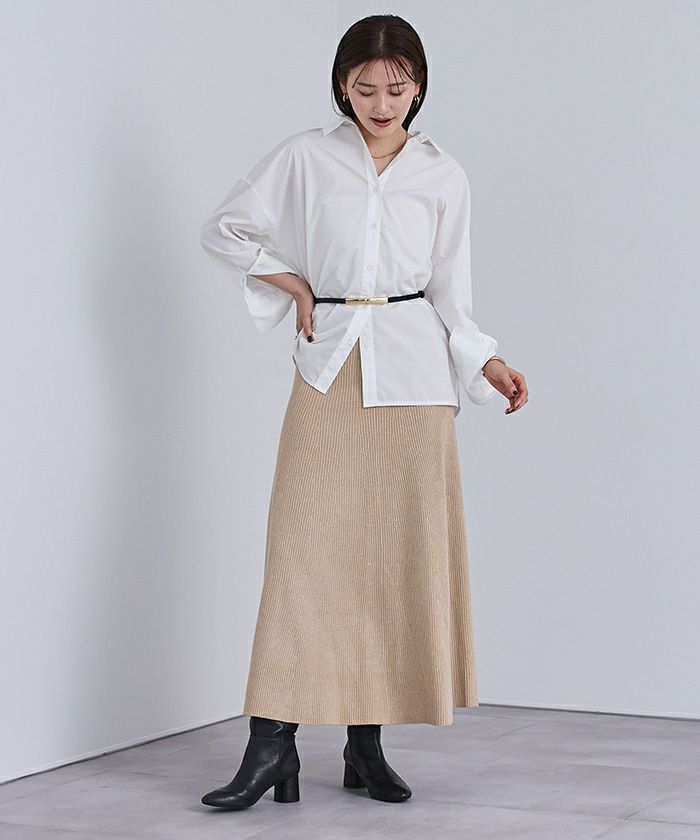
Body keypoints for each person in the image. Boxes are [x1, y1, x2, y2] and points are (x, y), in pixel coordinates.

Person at [198, 13, 528, 811]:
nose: (382, 103)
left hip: (415, 380)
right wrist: (292, 282)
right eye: (366, 87)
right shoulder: (306, 157)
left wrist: (486, 359)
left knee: (389, 563)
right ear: (342, 86)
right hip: (330, 371)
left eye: (397, 87)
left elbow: (451, 292)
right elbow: (225, 228)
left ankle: (364, 747)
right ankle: (271, 743)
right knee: (302, 556)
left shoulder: (443, 174)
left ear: (420, 87)